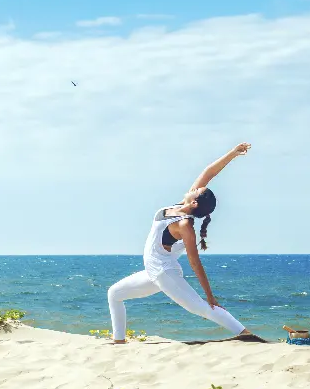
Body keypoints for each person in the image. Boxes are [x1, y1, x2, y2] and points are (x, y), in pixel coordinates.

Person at [106, 143, 263, 344]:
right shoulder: (181, 206)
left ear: (195, 202)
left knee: (203, 308)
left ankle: (247, 335)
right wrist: (233, 153)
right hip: (153, 273)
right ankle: (118, 341)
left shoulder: (184, 226)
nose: (196, 187)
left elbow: (195, 262)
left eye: (198, 190)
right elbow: (209, 172)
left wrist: (210, 295)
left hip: (165, 274)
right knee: (114, 294)